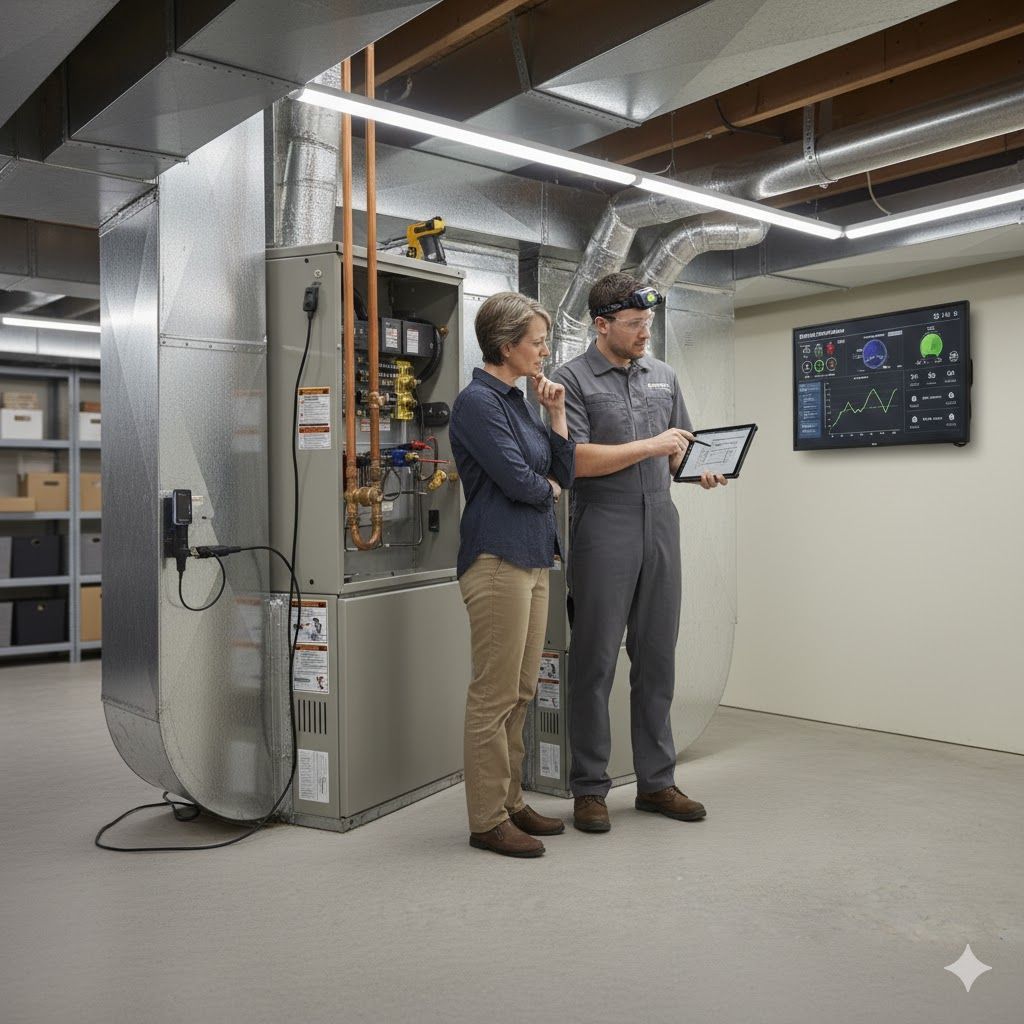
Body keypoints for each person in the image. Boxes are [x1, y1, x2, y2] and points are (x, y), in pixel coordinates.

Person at [551, 272, 726, 834]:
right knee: (596, 661)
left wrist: (696, 469)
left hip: (660, 524)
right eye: (632, 325)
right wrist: (653, 445)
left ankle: (656, 781)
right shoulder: (571, 379)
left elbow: (678, 452)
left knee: (658, 658)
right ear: (601, 326)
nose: (643, 333)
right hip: (604, 524)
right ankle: (590, 789)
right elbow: (574, 461)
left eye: (647, 324)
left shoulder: (663, 376)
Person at [450, 292, 576, 858]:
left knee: (522, 691)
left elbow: (562, 471)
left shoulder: (523, 403)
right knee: (493, 695)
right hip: (496, 560)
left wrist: (555, 414)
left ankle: (511, 802)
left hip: (532, 558)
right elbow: (524, 483)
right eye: (537, 342)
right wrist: (543, 483)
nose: (544, 351)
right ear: (507, 347)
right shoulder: (477, 403)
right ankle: (486, 820)